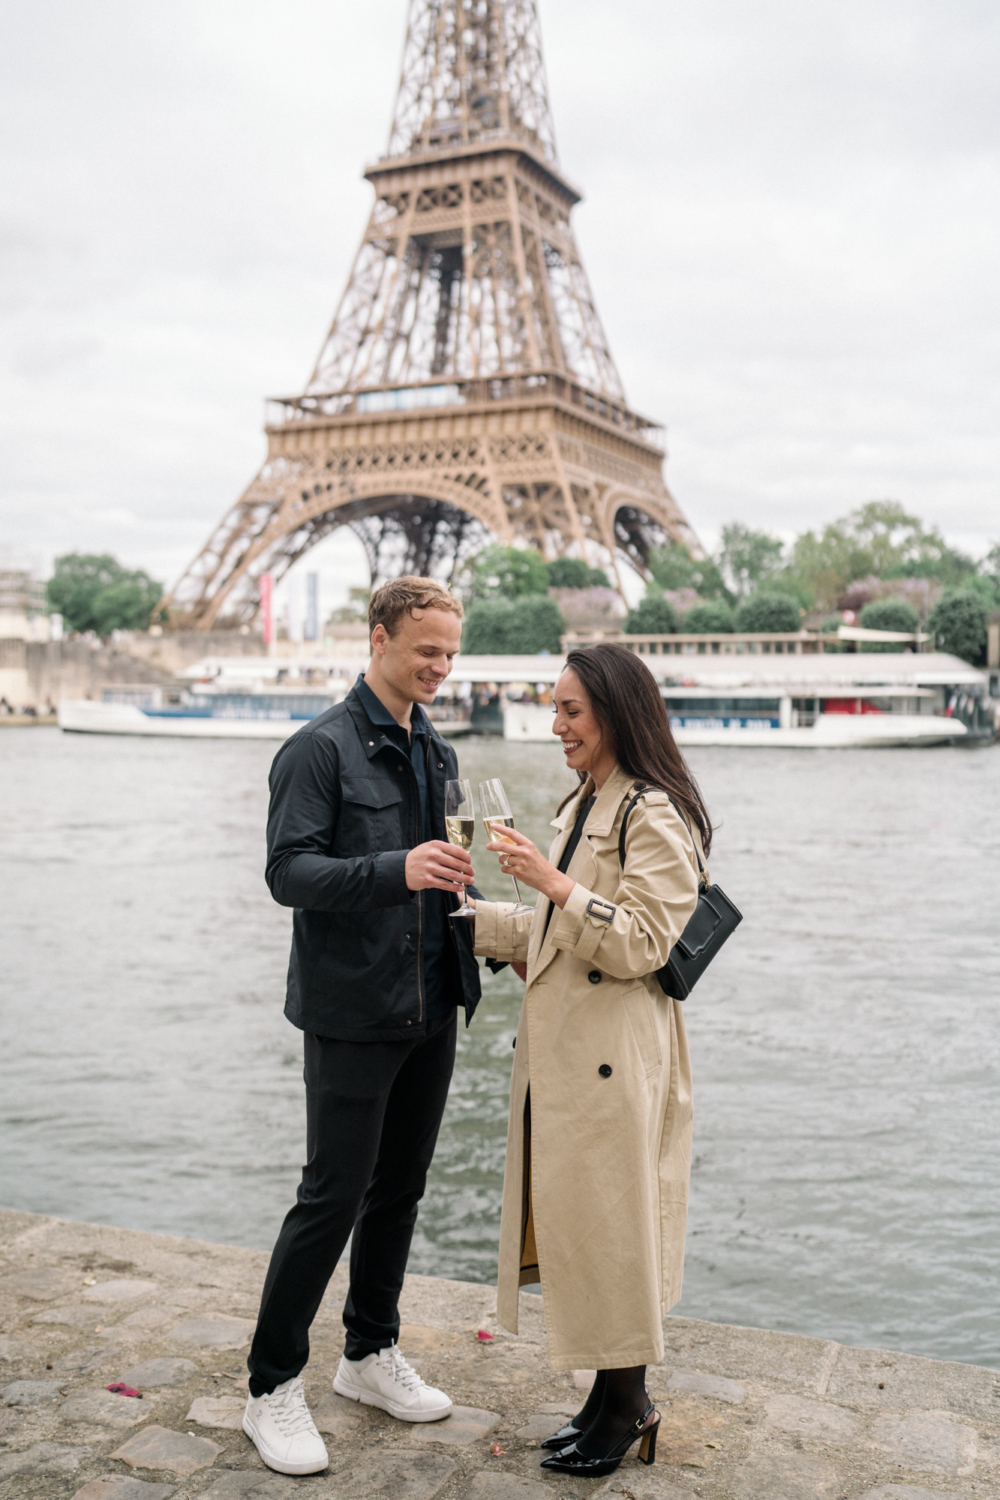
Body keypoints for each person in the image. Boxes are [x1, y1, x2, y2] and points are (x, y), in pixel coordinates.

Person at [242, 576, 482, 1476]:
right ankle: (270, 1387)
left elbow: (446, 875)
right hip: (352, 1011)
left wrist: (493, 927)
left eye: (451, 654)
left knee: (402, 1189)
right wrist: (396, 868)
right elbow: (288, 874)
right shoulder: (317, 751)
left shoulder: (440, 752)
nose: (440, 667)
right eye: (427, 650)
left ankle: (367, 1355)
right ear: (378, 637)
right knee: (330, 1197)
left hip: (431, 1000)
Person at [471, 642, 711, 1479]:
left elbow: (645, 939)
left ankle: (629, 1406)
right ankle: (609, 1401)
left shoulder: (655, 814)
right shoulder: (590, 800)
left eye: (571, 709)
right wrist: (475, 919)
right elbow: (555, 935)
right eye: (554, 708)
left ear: (615, 711)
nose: (556, 724)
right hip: (574, 1050)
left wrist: (550, 880)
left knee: (615, 1230)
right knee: (591, 1226)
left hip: (615, 1056)